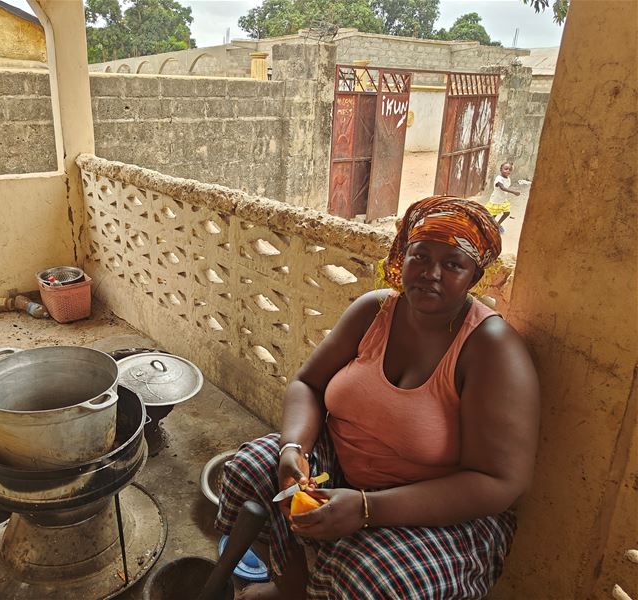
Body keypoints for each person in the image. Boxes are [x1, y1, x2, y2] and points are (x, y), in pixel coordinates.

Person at [216, 196, 540, 600]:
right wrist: (292, 448)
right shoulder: (375, 311)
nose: (431, 274)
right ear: (401, 257)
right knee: (251, 469)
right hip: (344, 467)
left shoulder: (490, 349)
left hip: (440, 506)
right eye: (419, 256)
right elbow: (308, 384)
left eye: (453, 264)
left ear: (473, 276)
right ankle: (290, 587)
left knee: (374, 577)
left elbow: (500, 483)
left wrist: (368, 509)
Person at [485, 162, 521, 233]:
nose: (508, 171)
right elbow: (503, 188)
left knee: (507, 213)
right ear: (501, 169)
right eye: (506, 169)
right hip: (496, 200)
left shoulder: (508, 178)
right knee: (493, 216)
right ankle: (488, 227)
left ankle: (497, 225)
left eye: (510, 169)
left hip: (503, 200)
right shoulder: (499, 179)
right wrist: (514, 192)